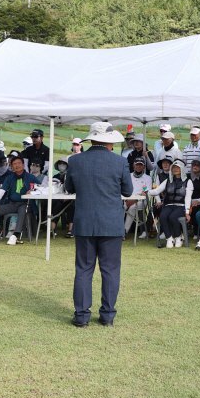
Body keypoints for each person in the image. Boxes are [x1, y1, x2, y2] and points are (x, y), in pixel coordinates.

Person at [63, 122, 133, 327]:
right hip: (111, 222)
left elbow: (68, 188)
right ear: (110, 141)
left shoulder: (75, 161)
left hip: (84, 221)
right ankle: (108, 316)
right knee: (110, 270)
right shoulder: (120, 162)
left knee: (84, 269)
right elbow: (128, 191)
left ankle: (82, 316)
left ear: (91, 139)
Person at [0, 155, 39, 245]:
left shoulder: (30, 177)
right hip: (12, 204)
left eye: (19, 163)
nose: (17, 165)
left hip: (26, 204)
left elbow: (41, 188)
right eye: (14, 164)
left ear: (23, 164)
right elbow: (2, 190)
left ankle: (15, 235)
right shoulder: (10, 177)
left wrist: (32, 191)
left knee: (23, 210)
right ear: (11, 166)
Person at [148, 159, 193, 248]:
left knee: (173, 217)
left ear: (182, 169)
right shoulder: (167, 180)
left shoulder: (188, 181)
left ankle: (178, 237)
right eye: (174, 168)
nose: (175, 169)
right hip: (168, 205)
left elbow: (188, 197)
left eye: (178, 168)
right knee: (163, 216)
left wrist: (187, 212)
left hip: (181, 206)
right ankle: (169, 238)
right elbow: (156, 191)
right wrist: (146, 192)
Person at [124, 156, 152, 238]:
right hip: (127, 199)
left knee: (132, 208)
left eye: (140, 165)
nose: (139, 167)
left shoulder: (148, 178)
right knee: (120, 207)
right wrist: (127, 199)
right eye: (137, 165)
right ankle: (117, 230)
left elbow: (145, 192)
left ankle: (124, 232)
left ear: (144, 166)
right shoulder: (128, 176)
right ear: (133, 165)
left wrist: (134, 200)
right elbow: (124, 189)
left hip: (141, 201)